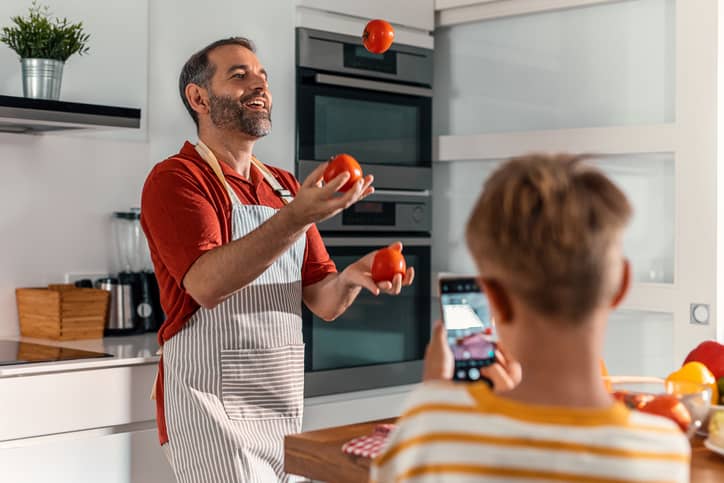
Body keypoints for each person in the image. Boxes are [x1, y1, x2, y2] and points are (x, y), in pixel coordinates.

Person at [140, 37, 414, 483]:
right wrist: (297, 216)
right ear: (199, 98)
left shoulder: (284, 187)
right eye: (239, 75)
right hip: (209, 408)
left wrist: (351, 278)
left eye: (262, 75)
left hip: (279, 404)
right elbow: (206, 285)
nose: (260, 85)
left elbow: (324, 301)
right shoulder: (176, 178)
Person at [371, 154, 691, 482]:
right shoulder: (663, 451)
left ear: (492, 298)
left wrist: (436, 390)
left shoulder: (430, 429)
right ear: (621, 285)